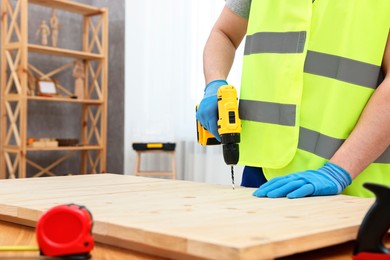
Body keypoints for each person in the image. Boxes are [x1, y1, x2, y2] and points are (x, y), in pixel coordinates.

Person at [196, 0, 390, 198]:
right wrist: (214, 83)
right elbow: (224, 33)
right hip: (263, 172)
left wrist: (338, 172)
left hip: (349, 180)